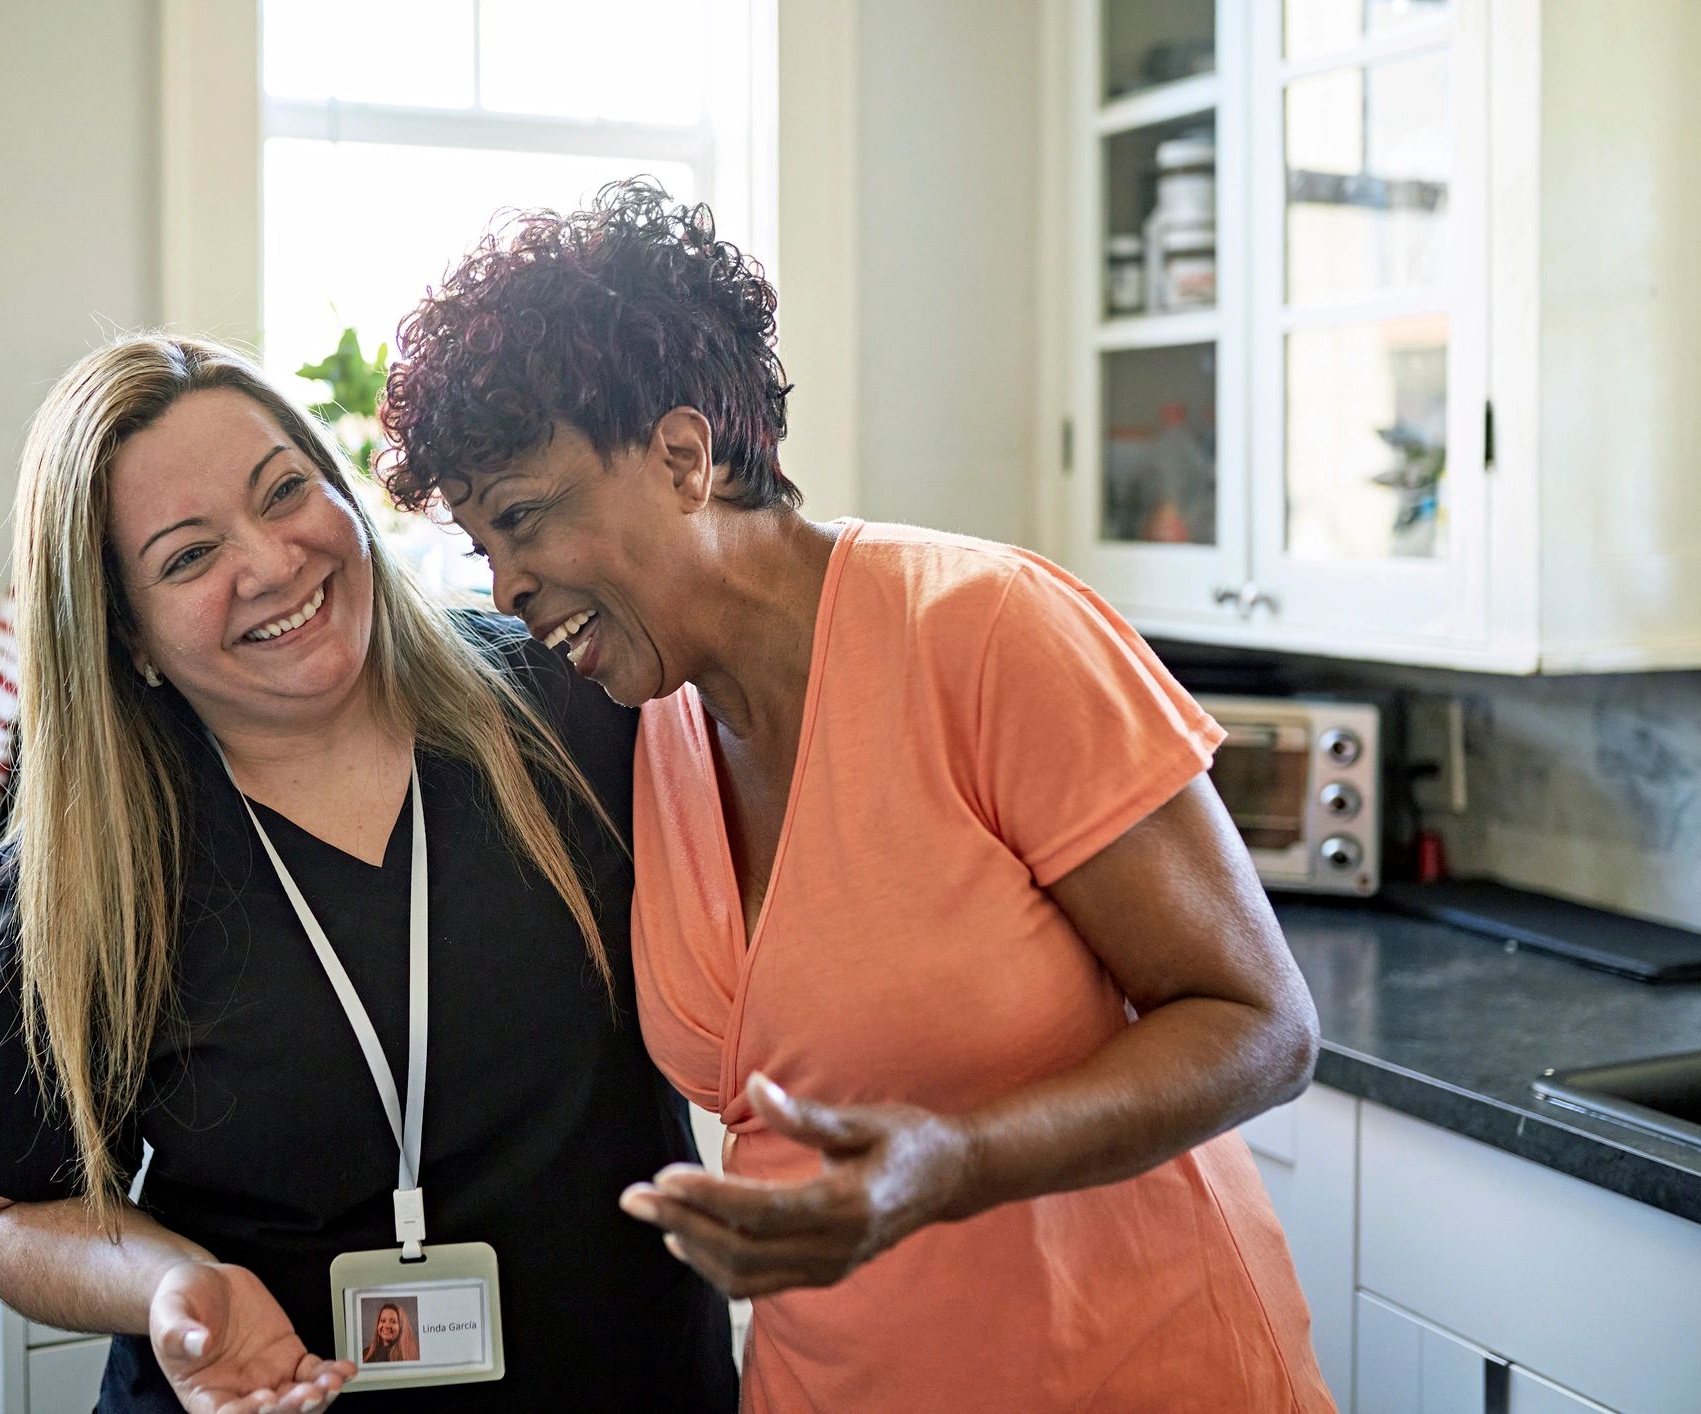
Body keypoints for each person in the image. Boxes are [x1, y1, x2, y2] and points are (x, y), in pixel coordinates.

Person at [379, 179, 1336, 1412]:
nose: (507, 586)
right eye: (481, 547)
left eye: (521, 520)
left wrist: (955, 1163)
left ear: (683, 455)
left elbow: (1262, 1024)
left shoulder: (983, 630)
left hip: (1131, 1366)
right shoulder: (644, 720)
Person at [0, 333, 738, 1413]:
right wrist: (170, 1283)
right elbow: (9, 1217)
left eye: (286, 492)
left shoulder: (573, 704)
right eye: (187, 556)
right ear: (123, 632)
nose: (273, 563)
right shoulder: (84, 866)